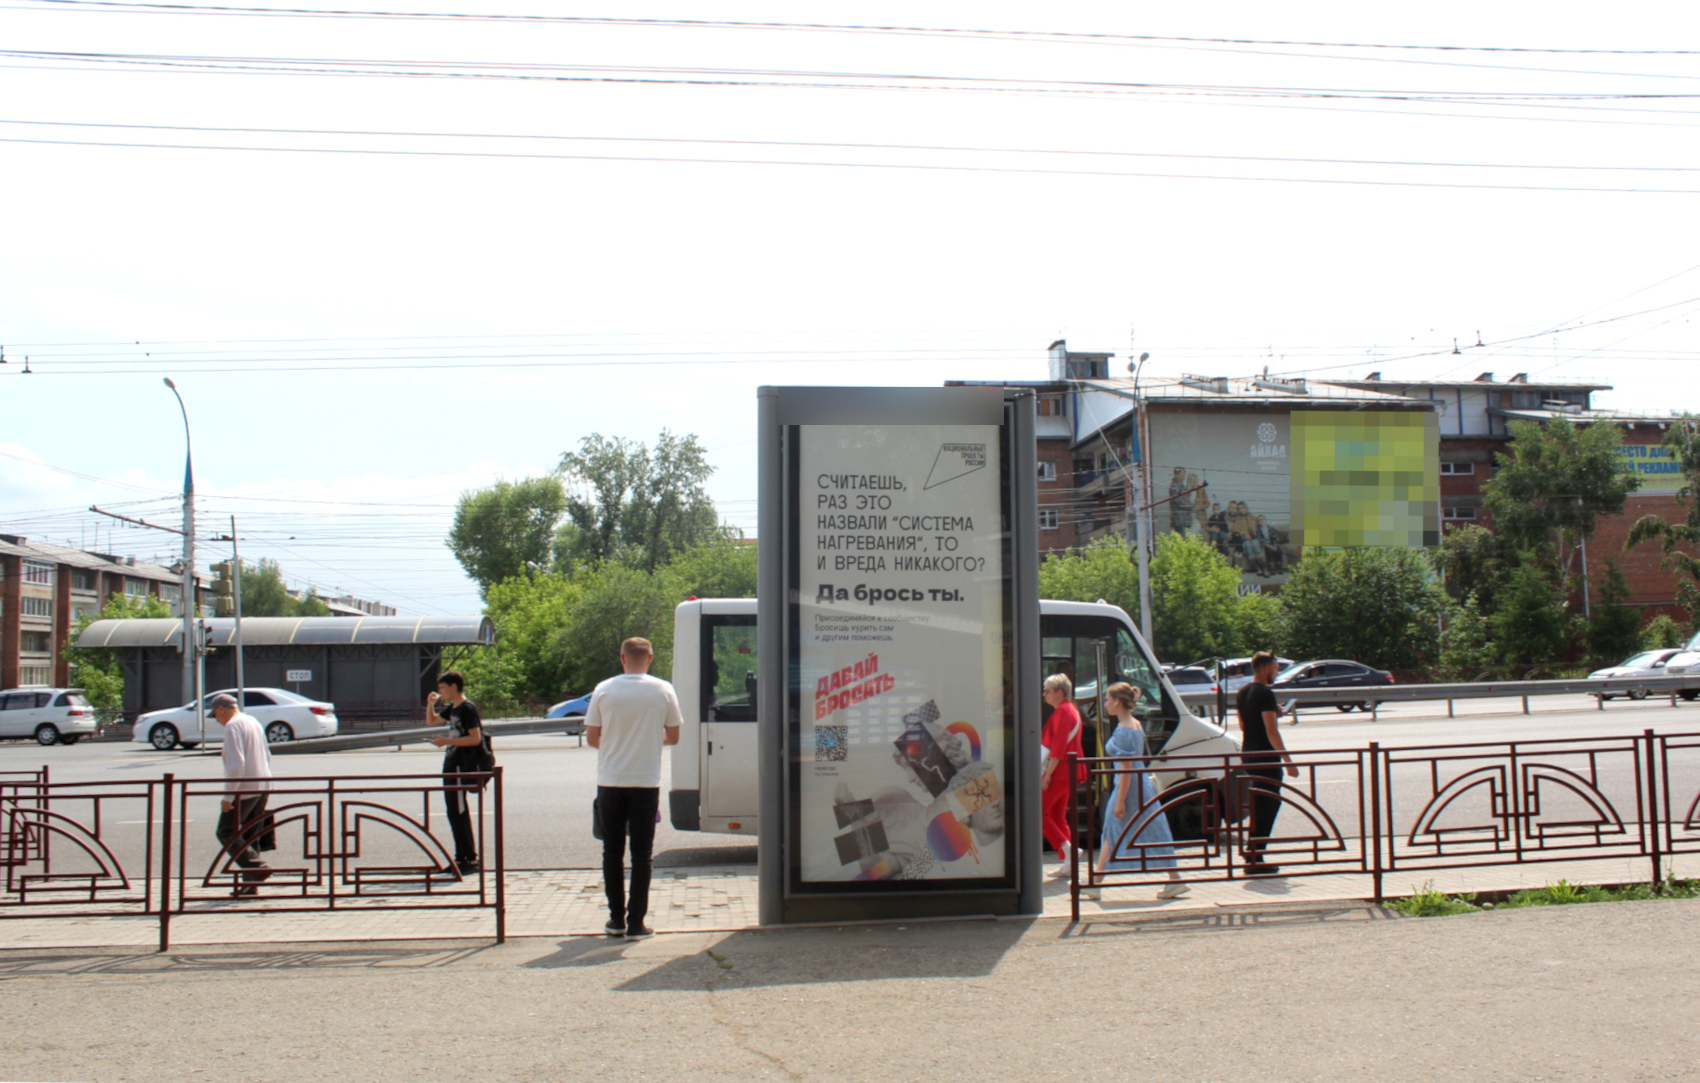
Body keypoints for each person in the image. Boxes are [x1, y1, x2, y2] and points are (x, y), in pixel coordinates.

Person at [585, 637, 683, 940]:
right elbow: (674, 736)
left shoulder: (604, 689)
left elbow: (592, 738)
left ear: (622, 658)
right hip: (645, 781)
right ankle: (637, 923)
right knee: (643, 854)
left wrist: (616, 745)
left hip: (610, 781)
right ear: (650, 658)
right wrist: (650, 742)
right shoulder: (663, 689)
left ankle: (615, 919)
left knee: (611, 851)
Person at [1095, 683, 1186, 899]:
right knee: (1154, 828)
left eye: (1108, 699)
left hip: (1128, 787)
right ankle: (1175, 878)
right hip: (1140, 784)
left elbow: (1126, 768)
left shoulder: (1124, 729)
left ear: (1118, 702)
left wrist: (1120, 800)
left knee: (1111, 830)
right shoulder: (1134, 723)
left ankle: (1095, 882)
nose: (1106, 704)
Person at [1234, 651, 1299, 876]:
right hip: (1266, 757)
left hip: (1249, 755)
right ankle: (1255, 858)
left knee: (1257, 805)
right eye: (1275, 668)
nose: (1277, 672)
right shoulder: (1266, 693)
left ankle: (1253, 853)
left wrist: (1274, 714)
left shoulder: (1242, 693)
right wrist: (1288, 761)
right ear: (1265, 669)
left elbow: (1244, 726)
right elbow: (1272, 731)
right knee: (1268, 806)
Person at [211, 693, 274, 897]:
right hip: (262, 784)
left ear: (221, 709)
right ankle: (250, 885)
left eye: (215, 715)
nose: (217, 720)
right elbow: (267, 754)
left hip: (245, 787)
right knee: (249, 835)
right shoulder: (252, 721)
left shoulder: (233, 726)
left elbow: (236, 764)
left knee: (226, 832)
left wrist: (227, 797)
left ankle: (257, 867)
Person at [426, 670, 488, 876]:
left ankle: (469, 858)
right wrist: (430, 704)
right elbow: (432, 721)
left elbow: (475, 739)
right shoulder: (453, 708)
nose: (440, 692)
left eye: (443, 688)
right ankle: (460, 858)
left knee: (459, 812)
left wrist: (446, 741)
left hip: (462, 765)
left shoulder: (467, 709)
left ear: (453, 687)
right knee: (452, 811)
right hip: (451, 764)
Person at [1039, 672, 1084, 876]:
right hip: (1068, 771)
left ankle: (1068, 851)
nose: (1044, 695)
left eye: (1047, 691)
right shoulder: (1070, 710)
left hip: (1060, 772)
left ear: (1059, 692)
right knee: (1057, 815)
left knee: (1037, 812)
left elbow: (1057, 748)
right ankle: (1069, 864)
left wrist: (1047, 776)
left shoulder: (1062, 712)